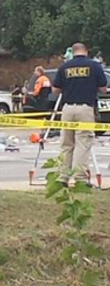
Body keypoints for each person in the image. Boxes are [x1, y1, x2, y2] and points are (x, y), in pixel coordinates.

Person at [52, 43, 107, 187]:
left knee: (66, 143)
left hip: (67, 108)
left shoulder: (65, 67)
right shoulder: (94, 66)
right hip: (85, 108)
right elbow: (103, 88)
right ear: (86, 51)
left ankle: (62, 177)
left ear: (73, 52)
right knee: (83, 143)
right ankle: (80, 178)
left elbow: (55, 90)